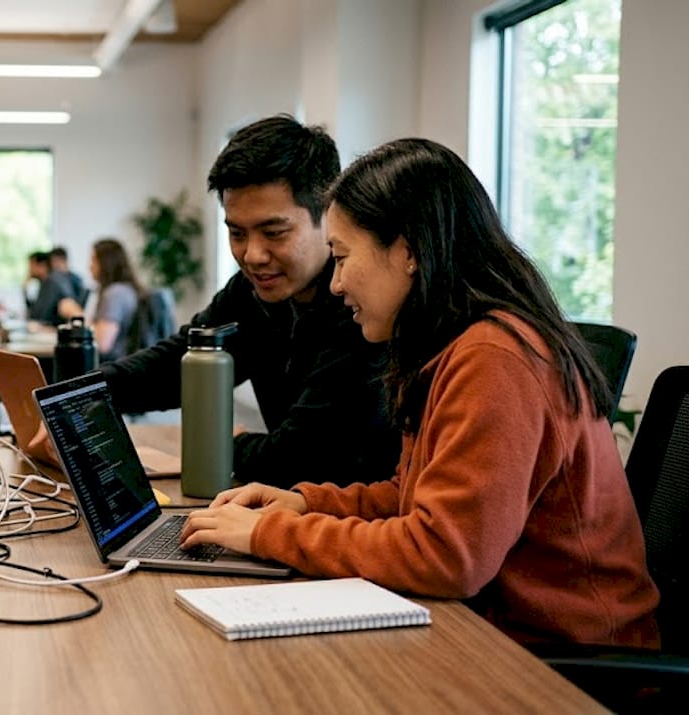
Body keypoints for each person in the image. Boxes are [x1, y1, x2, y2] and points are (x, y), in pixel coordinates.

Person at [180, 138, 660, 650]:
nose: (337, 285)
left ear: (407, 251)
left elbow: (447, 555)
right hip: (491, 630)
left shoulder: (495, 358)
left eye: (342, 258)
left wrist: (265, 536)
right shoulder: (452, 345)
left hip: (562, 662)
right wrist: (303, 503)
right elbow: (414, 497)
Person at [100, 114, 397, 486]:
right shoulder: (251, 291)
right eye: (237, 233)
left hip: (357, 522)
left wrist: (232, 444)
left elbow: (302, 456)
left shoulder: (364, 308)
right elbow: (182, 360)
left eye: (274, 232)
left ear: (329, 215)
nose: (253, 255)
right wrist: (84, 398)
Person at [59, 238, 143, 362]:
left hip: (113, 369)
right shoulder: (123, 290)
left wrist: (75, 313)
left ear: (106, 262)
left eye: (94, 259)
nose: (90, 266)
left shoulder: (115, 294)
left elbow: (103, 343)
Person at [24, 250, 74, 326]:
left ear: (42, 266)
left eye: (31, 266)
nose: (29, 270)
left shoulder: (53, 283)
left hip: (54, 331)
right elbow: (34, 313)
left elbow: (41, 316)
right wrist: (25, 291)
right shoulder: (45, 282)